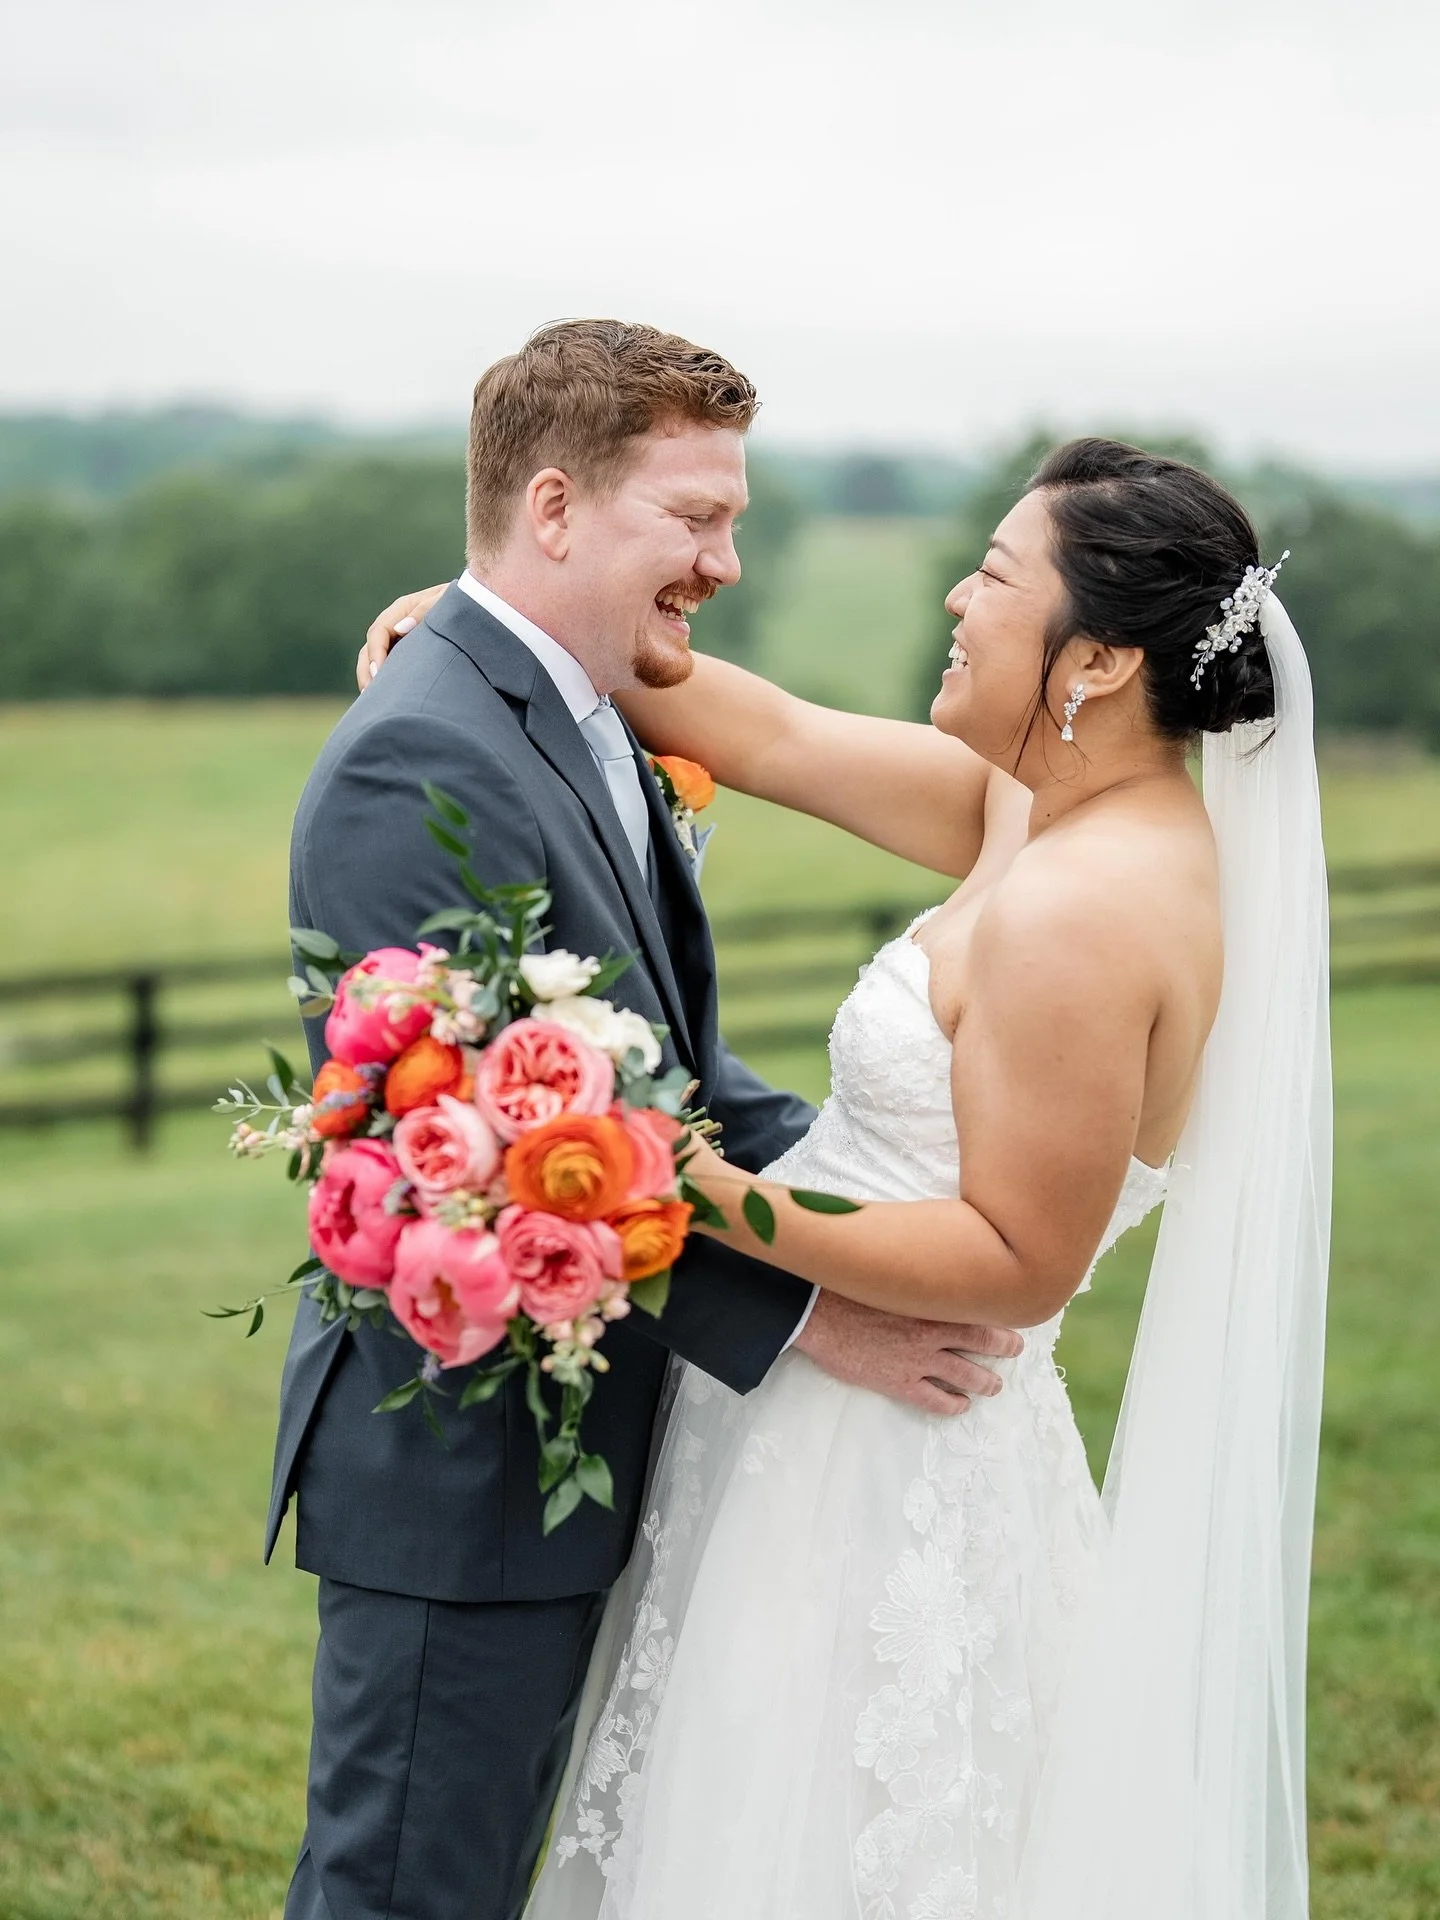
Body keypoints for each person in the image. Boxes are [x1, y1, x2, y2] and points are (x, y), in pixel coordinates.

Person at [363, 436, 1331, 1918]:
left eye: (998, 578)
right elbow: (773, 733)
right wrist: (490, 614)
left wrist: (682, 1178)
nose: (956, 595)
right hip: (822, 1423)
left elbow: (1020, 1256)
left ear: (1100, 664)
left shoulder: (1088, 908)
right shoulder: (1044, 812)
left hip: (891, 1470)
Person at [271, 319, 1019, 1920]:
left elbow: (655, 1084)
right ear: (553, 510)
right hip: (462, 1463)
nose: (727, 561)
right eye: (694, 518)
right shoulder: (423, 754)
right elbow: (471, 1155)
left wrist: (877, 1198)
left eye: (731, 519)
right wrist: (817, 1310)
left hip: (590, 1444)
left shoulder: (590, 712)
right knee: (409, 1887)